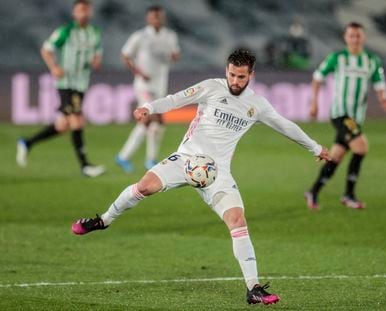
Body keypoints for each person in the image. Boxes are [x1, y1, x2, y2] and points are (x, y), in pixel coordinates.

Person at [72, 49, 330, 305]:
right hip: (186, 159)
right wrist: (149, 107)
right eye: (231, 75)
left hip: (217, 172)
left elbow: (285, 125)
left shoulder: (257, 105)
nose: (235, 82)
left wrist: (316, 148)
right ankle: (103, 220)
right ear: (226, 71)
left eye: (241, 77)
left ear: (251, 74)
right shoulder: (211, 88)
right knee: (144, 186)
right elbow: (175, 100)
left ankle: (253, 288)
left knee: (238, 221)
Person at [304, 22, 386, 210]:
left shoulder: (371, 59)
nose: (354, 39)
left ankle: (313, 191)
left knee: (336, 156)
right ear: (345, 38)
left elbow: (379, 81)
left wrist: (383, 97)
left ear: (363, 37)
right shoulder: (337, 58)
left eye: (358, 35)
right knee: (361, 147)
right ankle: (349, 195)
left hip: (356, 117)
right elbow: (318, 77)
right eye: (351, 35)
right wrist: (314, 102)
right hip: (340, 114)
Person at [16, 0, 105, 177]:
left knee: (63, 125)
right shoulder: (66, 31)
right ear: (74, 13)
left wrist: (96, 62)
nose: (83, 14)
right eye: (80, 10)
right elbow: (46, 49)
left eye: (86, 10)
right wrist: (54, 67)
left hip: (81, 83)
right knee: (77, 121)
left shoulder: (95, 33)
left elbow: (97, 55)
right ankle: (85, 166)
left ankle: (27, 143)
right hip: (66, 83)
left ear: (90, 13)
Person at [115, 5, 180, 173]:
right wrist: (139, 72)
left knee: (149, 124)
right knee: (154, 120)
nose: (156, 19)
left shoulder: (170, 36)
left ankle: (124, 157)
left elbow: (175, 56)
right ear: (148, 18)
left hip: (160, 85)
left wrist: (174, 57)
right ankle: (149, 160)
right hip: (144, 85)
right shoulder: (140, 36)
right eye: (153, 17)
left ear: (163, 18)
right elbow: (125, 55)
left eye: (159, 16)